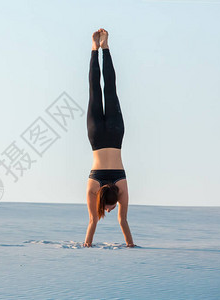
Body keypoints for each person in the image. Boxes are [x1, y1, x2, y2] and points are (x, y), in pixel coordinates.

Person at [83, 28, 136, 248]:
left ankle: (105, 47)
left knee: (111, 91)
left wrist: (130, 243)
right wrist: (87, 242)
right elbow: (92, 220)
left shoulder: (121, 186)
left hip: (115, 134)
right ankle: (95, 48)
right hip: (96, 135)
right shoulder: (93, 188)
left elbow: (123, 221)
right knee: (95, 91)